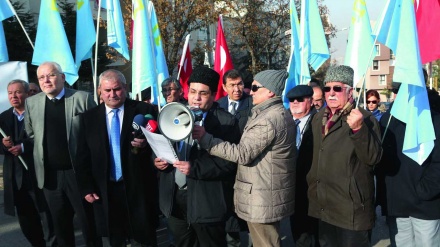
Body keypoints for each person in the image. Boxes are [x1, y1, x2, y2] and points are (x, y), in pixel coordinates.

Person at [193, 69, 296, 247]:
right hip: (266, 193)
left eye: (255, 87)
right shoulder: (273, 113)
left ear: (270, 91)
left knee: (265, 243)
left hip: (262, 196)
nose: (250, 90)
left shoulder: (268, 118)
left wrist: (206, 139)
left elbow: (242, 154)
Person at [154, 66, 240, 247]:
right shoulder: (174, 113)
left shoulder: (226, 122)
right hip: (175, 202)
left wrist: (195, 167)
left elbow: (229, 164)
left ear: (214, 95)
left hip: (206, 204)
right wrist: (158, 161)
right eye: (192, 91)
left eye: (203, 93)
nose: (196, 98)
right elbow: (160, 144)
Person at [75, 69, 159, 246]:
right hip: (105, 190)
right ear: (100, 91)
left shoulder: (143, 110)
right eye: (107, 90)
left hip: (138, 188)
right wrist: (86, 187)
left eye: (117, 89)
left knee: (144, 239)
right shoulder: (88, 118)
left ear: (125, 87)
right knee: (115, 240)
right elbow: (82, 157)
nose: (112, 94)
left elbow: (159, 145)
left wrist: (145, 145)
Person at [24, 61, 99, 247]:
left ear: (63, 77)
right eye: (41, 77)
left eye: (51, 75)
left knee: (89, 225)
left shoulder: (82, 98)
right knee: (61, 228)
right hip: (50, 178)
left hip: (78, 175)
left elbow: (95, 134)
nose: (46, 80)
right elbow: (31, 133)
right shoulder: (31, 103)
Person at [307, 65, 382, 247]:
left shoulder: (364, 119)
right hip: (324, 208)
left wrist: (358, 129)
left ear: (349, 92)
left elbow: (373, 158)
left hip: (351, 211)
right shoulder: (318, 119)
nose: (331, 93)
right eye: (327, 88)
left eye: (337, 88)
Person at [376, 81, 440, 247]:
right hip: (397, 204)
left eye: (404, 89)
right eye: (397, 90)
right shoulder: (387, 120)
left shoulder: (435, 119)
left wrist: (425, 191)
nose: (399, 94)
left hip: (425, 206)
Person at [0, 80, 55, 247]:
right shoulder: (3, 117)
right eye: (10, 93)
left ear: (27, 94)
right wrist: (4, 145)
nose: (13, 96)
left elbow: (46, 139)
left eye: (17, 92)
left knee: (48, 217)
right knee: (26, 221)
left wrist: (23, 147)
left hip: (38, 174)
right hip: (16, 180)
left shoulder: (40, 113)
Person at [286, 85, 319, 247]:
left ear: (311, 101)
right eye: (292, 100)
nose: (295, 102)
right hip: (290, 189)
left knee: (315, 236)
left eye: (300, 99)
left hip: (314, 190)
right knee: (298, 235)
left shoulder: (320, 122)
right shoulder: (283, 122)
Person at [217, 69, 253, 133]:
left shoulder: (253, 104)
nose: (236, 89)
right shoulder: (217, 105)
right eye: (232, 85)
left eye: (239, 84)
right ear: (224, 87)